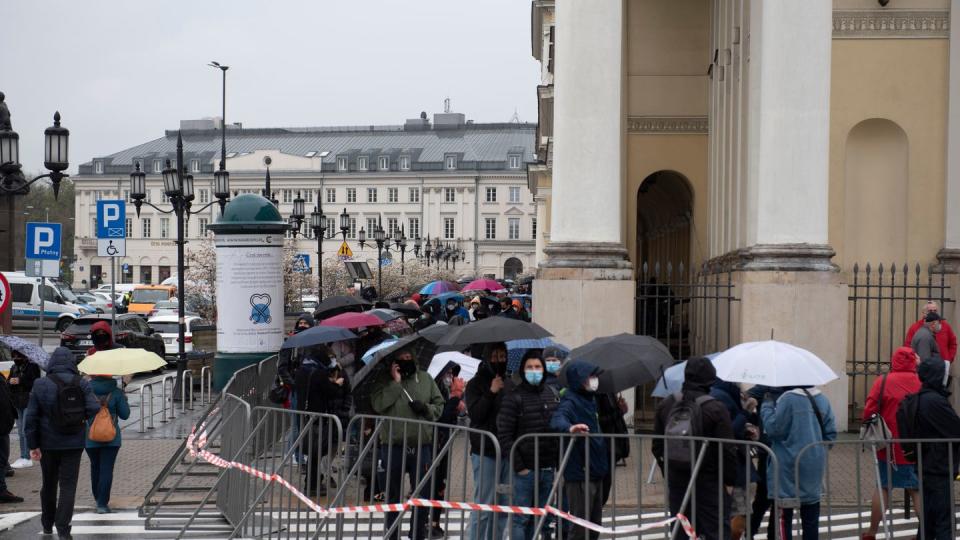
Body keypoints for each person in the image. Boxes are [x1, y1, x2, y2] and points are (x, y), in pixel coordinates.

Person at [652, 357, 737, 540]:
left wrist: (669, 471)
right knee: (716, 532)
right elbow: (727, 449)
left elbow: (657, 446)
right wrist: (730, 481)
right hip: (710, 481)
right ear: (710, 378)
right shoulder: (716, 408)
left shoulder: (666, 404)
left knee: (682, 530)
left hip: (678, 481)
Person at [25, 347, 100, 539]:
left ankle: (47, 523)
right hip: (74, 443)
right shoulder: (81, 383)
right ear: (71, 363)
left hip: (47, 443)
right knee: (68, 485)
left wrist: (32, 445)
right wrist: (80, 419)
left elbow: (31, 417)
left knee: (48, 483)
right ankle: (63, 527)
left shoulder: (40, 384)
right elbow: (94, 408)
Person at [370, 348, 444, 540]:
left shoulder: (426, 379)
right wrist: (395, 383)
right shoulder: (383, 381)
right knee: (392, 496)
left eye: (408, 357)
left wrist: (426, 408)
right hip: (392, 446)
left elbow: (439, 405)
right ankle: (392, 534)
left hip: (421, 446)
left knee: (422, 495)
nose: (405, 360)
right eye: (401, 358)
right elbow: (378, 405)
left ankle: (417, 534)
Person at [859, 347, 922, 540]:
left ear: (893, 361)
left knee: (883, 487)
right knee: (916, 489)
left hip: (888, 446)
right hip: (915, 445)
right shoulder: (921, 382)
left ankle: (872, 532)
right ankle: (926, 531)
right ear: (913, 362)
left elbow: (868, 412)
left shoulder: (883, 381)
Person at [760, 384, 837, 540]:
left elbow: (774, 429)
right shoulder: (822, 399)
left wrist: (767, 406)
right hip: (813, 465)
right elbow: (830, 435)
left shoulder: (788, 399)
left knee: (784, 517)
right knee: (810, 519)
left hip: (787, 465)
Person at [497, 350, 560, 540]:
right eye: (530, 367)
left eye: (537, 367)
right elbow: (504, 434)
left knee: (541, 518)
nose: (534, 371)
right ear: (523, 371)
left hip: (547, 468)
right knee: (520, 519)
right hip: (524, 470)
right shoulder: (513, 396)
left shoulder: (552, 394)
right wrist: (519, 466)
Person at [550, 359, 608, 540]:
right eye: (590, 376)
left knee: (594, 524)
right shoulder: (571, 401)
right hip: (580, 473)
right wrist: (570, 428)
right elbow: (557, 419)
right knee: (580, 526)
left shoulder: (590, 399)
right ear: (579, 379)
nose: (594, 380)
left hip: (596, 470)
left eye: (595, 376)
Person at [464, 343, 510, 540]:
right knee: (484, 505)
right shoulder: (475, 384)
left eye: (502, 356)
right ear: (486, 357)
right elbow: (476, 414)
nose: (498, 360)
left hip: (507, 452)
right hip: (485, 451)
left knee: (503, 505)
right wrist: (491, 392)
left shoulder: (510, 383)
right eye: (494, 356)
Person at [912, 359, 960, 540]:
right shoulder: (935, 401)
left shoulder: (923, 397)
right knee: (942, 522)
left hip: (928, 464)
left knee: (929, 520)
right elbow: (955, 429)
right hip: (938, 466)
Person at [296, 346, 351, 496]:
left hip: (305, 414)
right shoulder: (319, 374)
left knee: (313, 452)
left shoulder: (303, 370)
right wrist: (336, 383)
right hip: (318, 417)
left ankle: (311, 481)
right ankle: (313, 485)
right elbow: (330, 391)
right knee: (316, 452)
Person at [708, 379, 758, 539]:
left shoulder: (722, 394)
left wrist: (745, 430)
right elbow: (729, 430)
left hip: (726, 465)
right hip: (732, 466)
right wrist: (746, 411)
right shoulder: (722, 397)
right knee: (737, 515)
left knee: (733, 514)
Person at [430, 362, 466, 538]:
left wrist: (457, 402)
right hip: (432, 442)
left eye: (452, 373)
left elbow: (451, 415)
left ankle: (435, 522)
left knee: (440, 485)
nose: (450, 376)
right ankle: (423, 522)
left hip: (444, 443)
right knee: (429, 484)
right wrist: (454, 397)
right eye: (448, 372)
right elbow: (440, 416)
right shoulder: (434, 389)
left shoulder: (447, 390)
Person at [85, 375, 130, 514]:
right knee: (106, 469)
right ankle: (102, 503)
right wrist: (124, 399)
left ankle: (97, 497)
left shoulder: (86, 392)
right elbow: (125, 415)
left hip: (90, 437)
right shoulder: (116, 392)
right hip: (112, 438)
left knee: (95, 467)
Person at [8, 350, 41, 469]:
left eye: (18, 356)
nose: (16, 358)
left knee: (25, 430)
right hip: (17, 402)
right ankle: (23, 455)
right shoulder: (14, 367)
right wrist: (10, 382)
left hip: (28, 401)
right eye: (14, 356)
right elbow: (8, 382)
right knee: (20, 431)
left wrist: (20, 381)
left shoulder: (32, 367)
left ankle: (27, 456)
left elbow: (36, 382)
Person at [0, 369, 23, 503]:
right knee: (2, 460)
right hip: (2, 428)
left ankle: (2, 489)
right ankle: (2, 491)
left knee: (3, 461)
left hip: (4, 427)